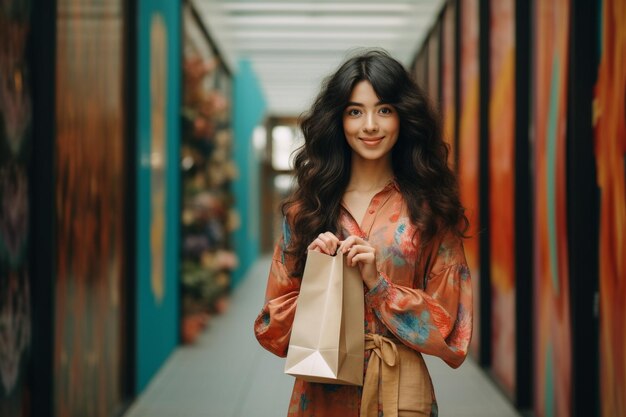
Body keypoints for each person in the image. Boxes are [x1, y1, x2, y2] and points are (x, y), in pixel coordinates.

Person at [254, 49, 472, 417]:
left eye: (384, 110)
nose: (370, 125)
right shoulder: (306, 210)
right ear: (338, 120)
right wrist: (318, 279)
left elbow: (453, 327)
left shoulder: (429, 210)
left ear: (404, 117)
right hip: (322, 393)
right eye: (355, 111)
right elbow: (270, 327)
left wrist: (379, 285)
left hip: (400, 391)